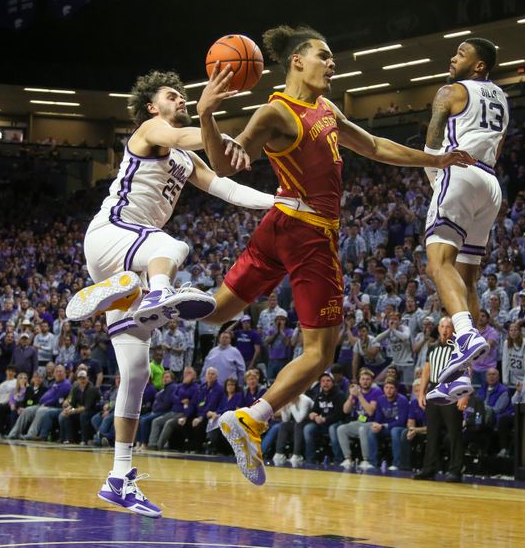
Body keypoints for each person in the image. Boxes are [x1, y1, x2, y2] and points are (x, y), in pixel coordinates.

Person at [194, 25, 472, 485]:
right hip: (308, 232)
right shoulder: (276, 112)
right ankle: (252, 418)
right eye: (324, 55)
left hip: (279, 224)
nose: (332, 62)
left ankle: (147, 295)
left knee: (213, 313)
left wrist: (436, 159)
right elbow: (225, 164)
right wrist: (206, 115)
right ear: (297, 62)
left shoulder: (325, 109)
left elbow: (376, 146)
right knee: (321, 353)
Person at [63, 70, 283, 515]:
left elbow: (225, 188)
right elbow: (187, 132)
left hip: (129, 262)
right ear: (151, 105)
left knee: (137, 373)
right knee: (173, 245)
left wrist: (276, 202)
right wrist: (208, 115)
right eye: (172, 95)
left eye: (183, 96)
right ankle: (155, 292)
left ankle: (119, 477)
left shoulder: (184, 158)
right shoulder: (152, 130)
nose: (179, 99)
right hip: (114, 234)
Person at [420, 38, 508, 398]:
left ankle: (467, 333)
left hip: (458, 170)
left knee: (438, 264)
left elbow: (432, 139)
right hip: (490, 183)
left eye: (460, 53)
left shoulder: (450, 91)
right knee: (467, 280)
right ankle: (461, 374)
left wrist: (437, 179)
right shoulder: (502, 98)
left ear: (479, 66)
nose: (452, 57)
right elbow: (498, 147)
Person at [415, 316, 469, 482]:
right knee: (432, 432)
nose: (445, 329)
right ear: (438, 329)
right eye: (442, 326)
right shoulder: (432, 348)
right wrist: (421, 393)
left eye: (448, 327)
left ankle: (455, 470)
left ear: (453, 330)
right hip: (434, 389)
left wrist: (464, 395)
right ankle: (429, 468)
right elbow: (426, 370)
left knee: (454, 433)